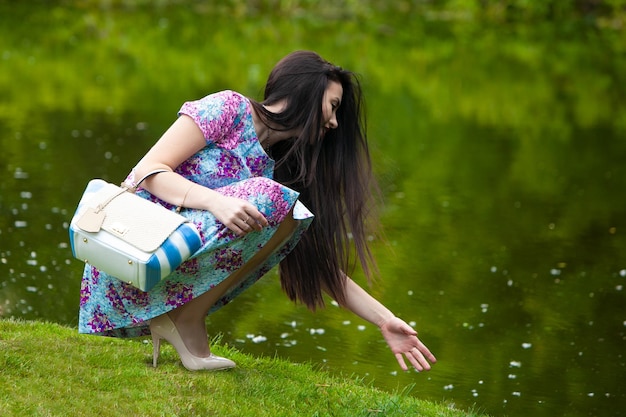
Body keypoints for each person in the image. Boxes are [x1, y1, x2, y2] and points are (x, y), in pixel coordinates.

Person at [78, 50, 437, 373]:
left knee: (291, 210)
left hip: (163, 266)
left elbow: (319, 265)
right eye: (333, 106)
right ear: (308, 93)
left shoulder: (274, 171)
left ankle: (186, 319)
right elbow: (146, 171)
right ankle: (185, 321)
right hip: (130, 253)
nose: (334, 123)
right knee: (273, 198)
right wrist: (215, 201)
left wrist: (385, 320)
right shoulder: (228, 109)